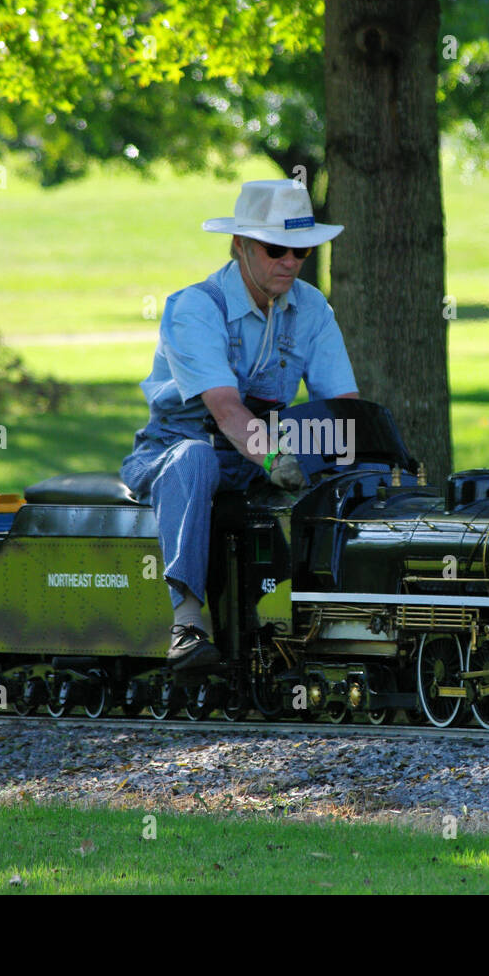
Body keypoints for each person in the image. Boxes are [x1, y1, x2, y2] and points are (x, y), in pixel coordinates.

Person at [120, 179, 358, 672]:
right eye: (277, 249)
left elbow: (341, 405)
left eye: (302, 251)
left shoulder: (312, 308)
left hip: (263, 457)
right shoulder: (194, 309)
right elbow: (226, 409)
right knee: (197, 458)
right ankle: (186, 622)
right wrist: (276, 459)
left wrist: (359, 464)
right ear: (241, 246)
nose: (290, 261)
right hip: (175, 450)